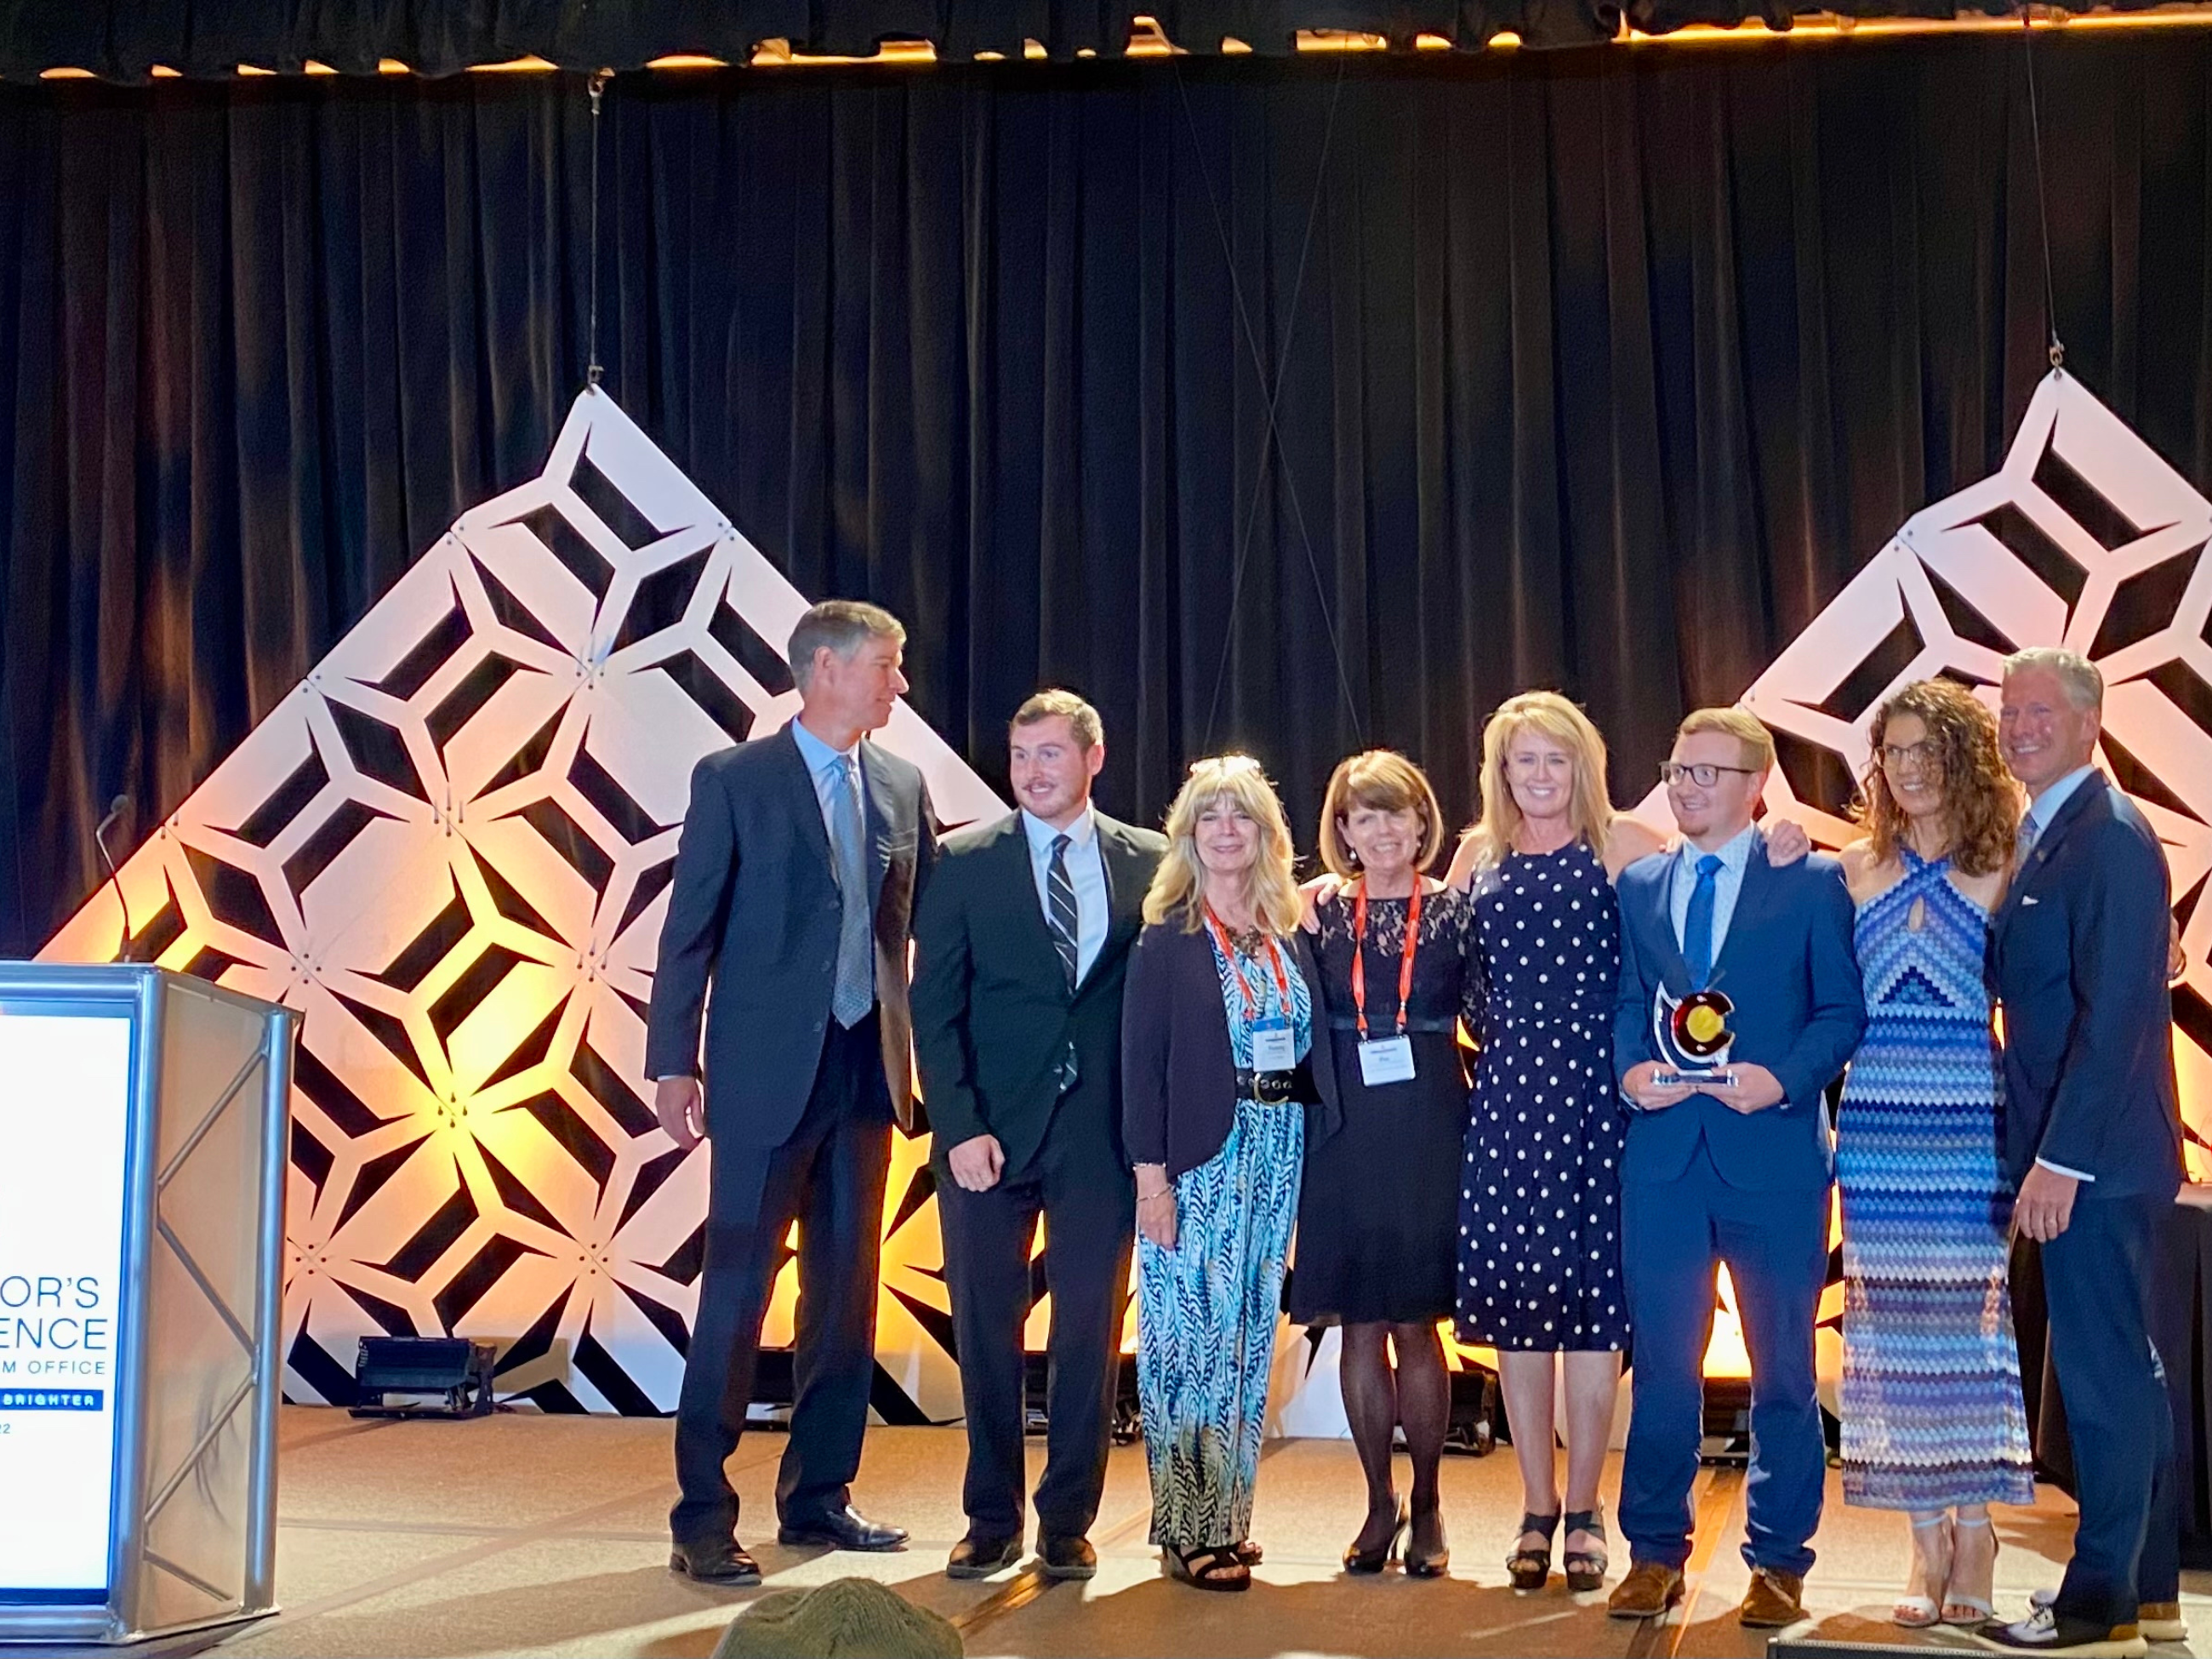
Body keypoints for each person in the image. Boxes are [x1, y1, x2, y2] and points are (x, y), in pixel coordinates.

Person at [646, 600, 935, 1586]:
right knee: (736, 1295)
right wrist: (671, 1062)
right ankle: (700, 1516)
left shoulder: (900, 784)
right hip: (764, 1075)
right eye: (886, 665)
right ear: (825, 669)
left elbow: (925, 924)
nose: (900, 683)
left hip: (865, 1073)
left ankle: (817, 1498)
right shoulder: (734, 779)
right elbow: (688, 931)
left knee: (846, 1299)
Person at [1607, 706, 1865, 1630]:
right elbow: (1629, 1002)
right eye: (1678, 771)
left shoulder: (1812, 880)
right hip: (1665, 1162)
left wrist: (1785, 1081)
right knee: (1662, 1370)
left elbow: (1840, 1011)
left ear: (1756, 786)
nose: (1686, 788)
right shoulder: (1640, 883)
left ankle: (1779, 1561)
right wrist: (1629, 1071)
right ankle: (1652, 1552)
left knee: (1785, 1373)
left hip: (1774, 1160)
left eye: (1707, 773)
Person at [910, 691, 1167, 1583]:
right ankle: (989, 1517)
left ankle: (1066, 1520)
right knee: (985, 1330)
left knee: (1088, 1332)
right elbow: (933, 1010)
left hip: (1099, 1138)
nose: (1031, 773)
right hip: (987, 1135)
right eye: (1020, 757)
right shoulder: (962, 861)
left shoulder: (1151, 861)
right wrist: (958, 1127)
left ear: (1093, 758)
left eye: (1050, 754)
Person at [1981, 647, 2183, 1658]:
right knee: (2124, 1376)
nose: (2018, 727)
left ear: (2088, 723)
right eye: (2008, 711)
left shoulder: (2105, 836)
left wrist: (2059, 1162)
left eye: (2040, 712)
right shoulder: (2049, 832)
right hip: (2086, 1153)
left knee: (2104, 1382)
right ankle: (2145, 1590)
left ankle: (2095, 1603)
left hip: (2095, 1163)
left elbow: (2115, 1022)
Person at [1444, 692, 1664, 1595]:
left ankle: (1585, 1507)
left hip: (1602, 1098)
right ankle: (1534, 1505)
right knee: (1518, 1309)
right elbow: (1439, 969)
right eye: (1522, 759)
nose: (1538, 775)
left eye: (1554, 758)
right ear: (1500, 771)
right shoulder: (1476, 855)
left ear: (1584, 766)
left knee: (1595, 1311)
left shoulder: (1627, 845)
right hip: (1505, 1101)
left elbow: (1697, 937)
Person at [1833, 680, 2034, 1628]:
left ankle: (1977, 1529)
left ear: (1963, 757)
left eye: (1926, 750)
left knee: (1965, 1330)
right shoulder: (1851, 866)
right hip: (1875, 1121)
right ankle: (1923, 1539)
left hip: (1968, 1121)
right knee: (1888, 1332)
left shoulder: (2009, 858)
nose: (1908, 768)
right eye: (1894, 752)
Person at [1121, 755, 1339, 1592]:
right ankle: (1185, 1528)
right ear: (1186, 835)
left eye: (1240, 816)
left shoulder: (1287, 931)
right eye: (1208, 816)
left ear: (1265, 834)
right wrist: (1151, 1181)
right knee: (1190, 1345)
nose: (1223, 830)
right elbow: (1140, 1067)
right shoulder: (1167, 937)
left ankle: (1227, 1518)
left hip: (1274, 1152)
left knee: (1246, 1343)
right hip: (1198, 1161)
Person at [1289, 750, 1481, 1578]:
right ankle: (1378, 1502)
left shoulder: (1456, 911)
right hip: (1342, 1124)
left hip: (1431, 1121)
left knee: (1416, 1322)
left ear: (1420, 821)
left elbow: (1490, 1013)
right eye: (1362, 816)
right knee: (1359, 1324)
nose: (1381, 830)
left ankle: (1429, 1502)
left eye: (1394, 813)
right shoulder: (1315, 911)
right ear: (1342, 829)